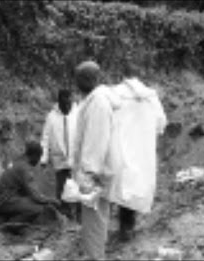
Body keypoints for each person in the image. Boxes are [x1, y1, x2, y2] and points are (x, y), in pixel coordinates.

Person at [107, 68, 167, 243]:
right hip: (140, 150)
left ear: (123, 78)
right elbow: (161, 123)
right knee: (132, 188)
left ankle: (103, 229)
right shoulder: (150, 97)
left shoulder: (113, 94)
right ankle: (127, 228)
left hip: (117, 149)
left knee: (112, 188)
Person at [72, 60, 121, 260]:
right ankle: (95, 254)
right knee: (95, 219)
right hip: (96, 171)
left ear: (89, 79)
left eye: (78, 79)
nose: (75, 83)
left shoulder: (98, 103)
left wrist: (88, 174)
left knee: (94, 220)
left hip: (95, 173)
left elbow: (96, 140)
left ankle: (96, 257)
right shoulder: (93, 101)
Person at [0, 141, 60, 235]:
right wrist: (51, 200)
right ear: (34, 155)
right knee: (36, 209)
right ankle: (11, 227)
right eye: (39, 157)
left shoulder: (18, 161)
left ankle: (13, 221)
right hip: (3, 201)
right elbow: (36, 195)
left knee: (31, 202)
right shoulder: (25, 168)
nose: (38, 161)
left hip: (1, 198)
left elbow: (29, 191)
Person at [40, 89, 80, 221]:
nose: (67, 107)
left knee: (77, 186)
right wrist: (44, 157)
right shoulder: (51, 116)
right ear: (59, 102)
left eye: (69, 103)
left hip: (76, 157)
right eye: (64, 104)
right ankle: (64, 215)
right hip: (59, 158)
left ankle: (78, 215)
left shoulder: (78, 113)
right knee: (62, 187)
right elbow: (45, 137)